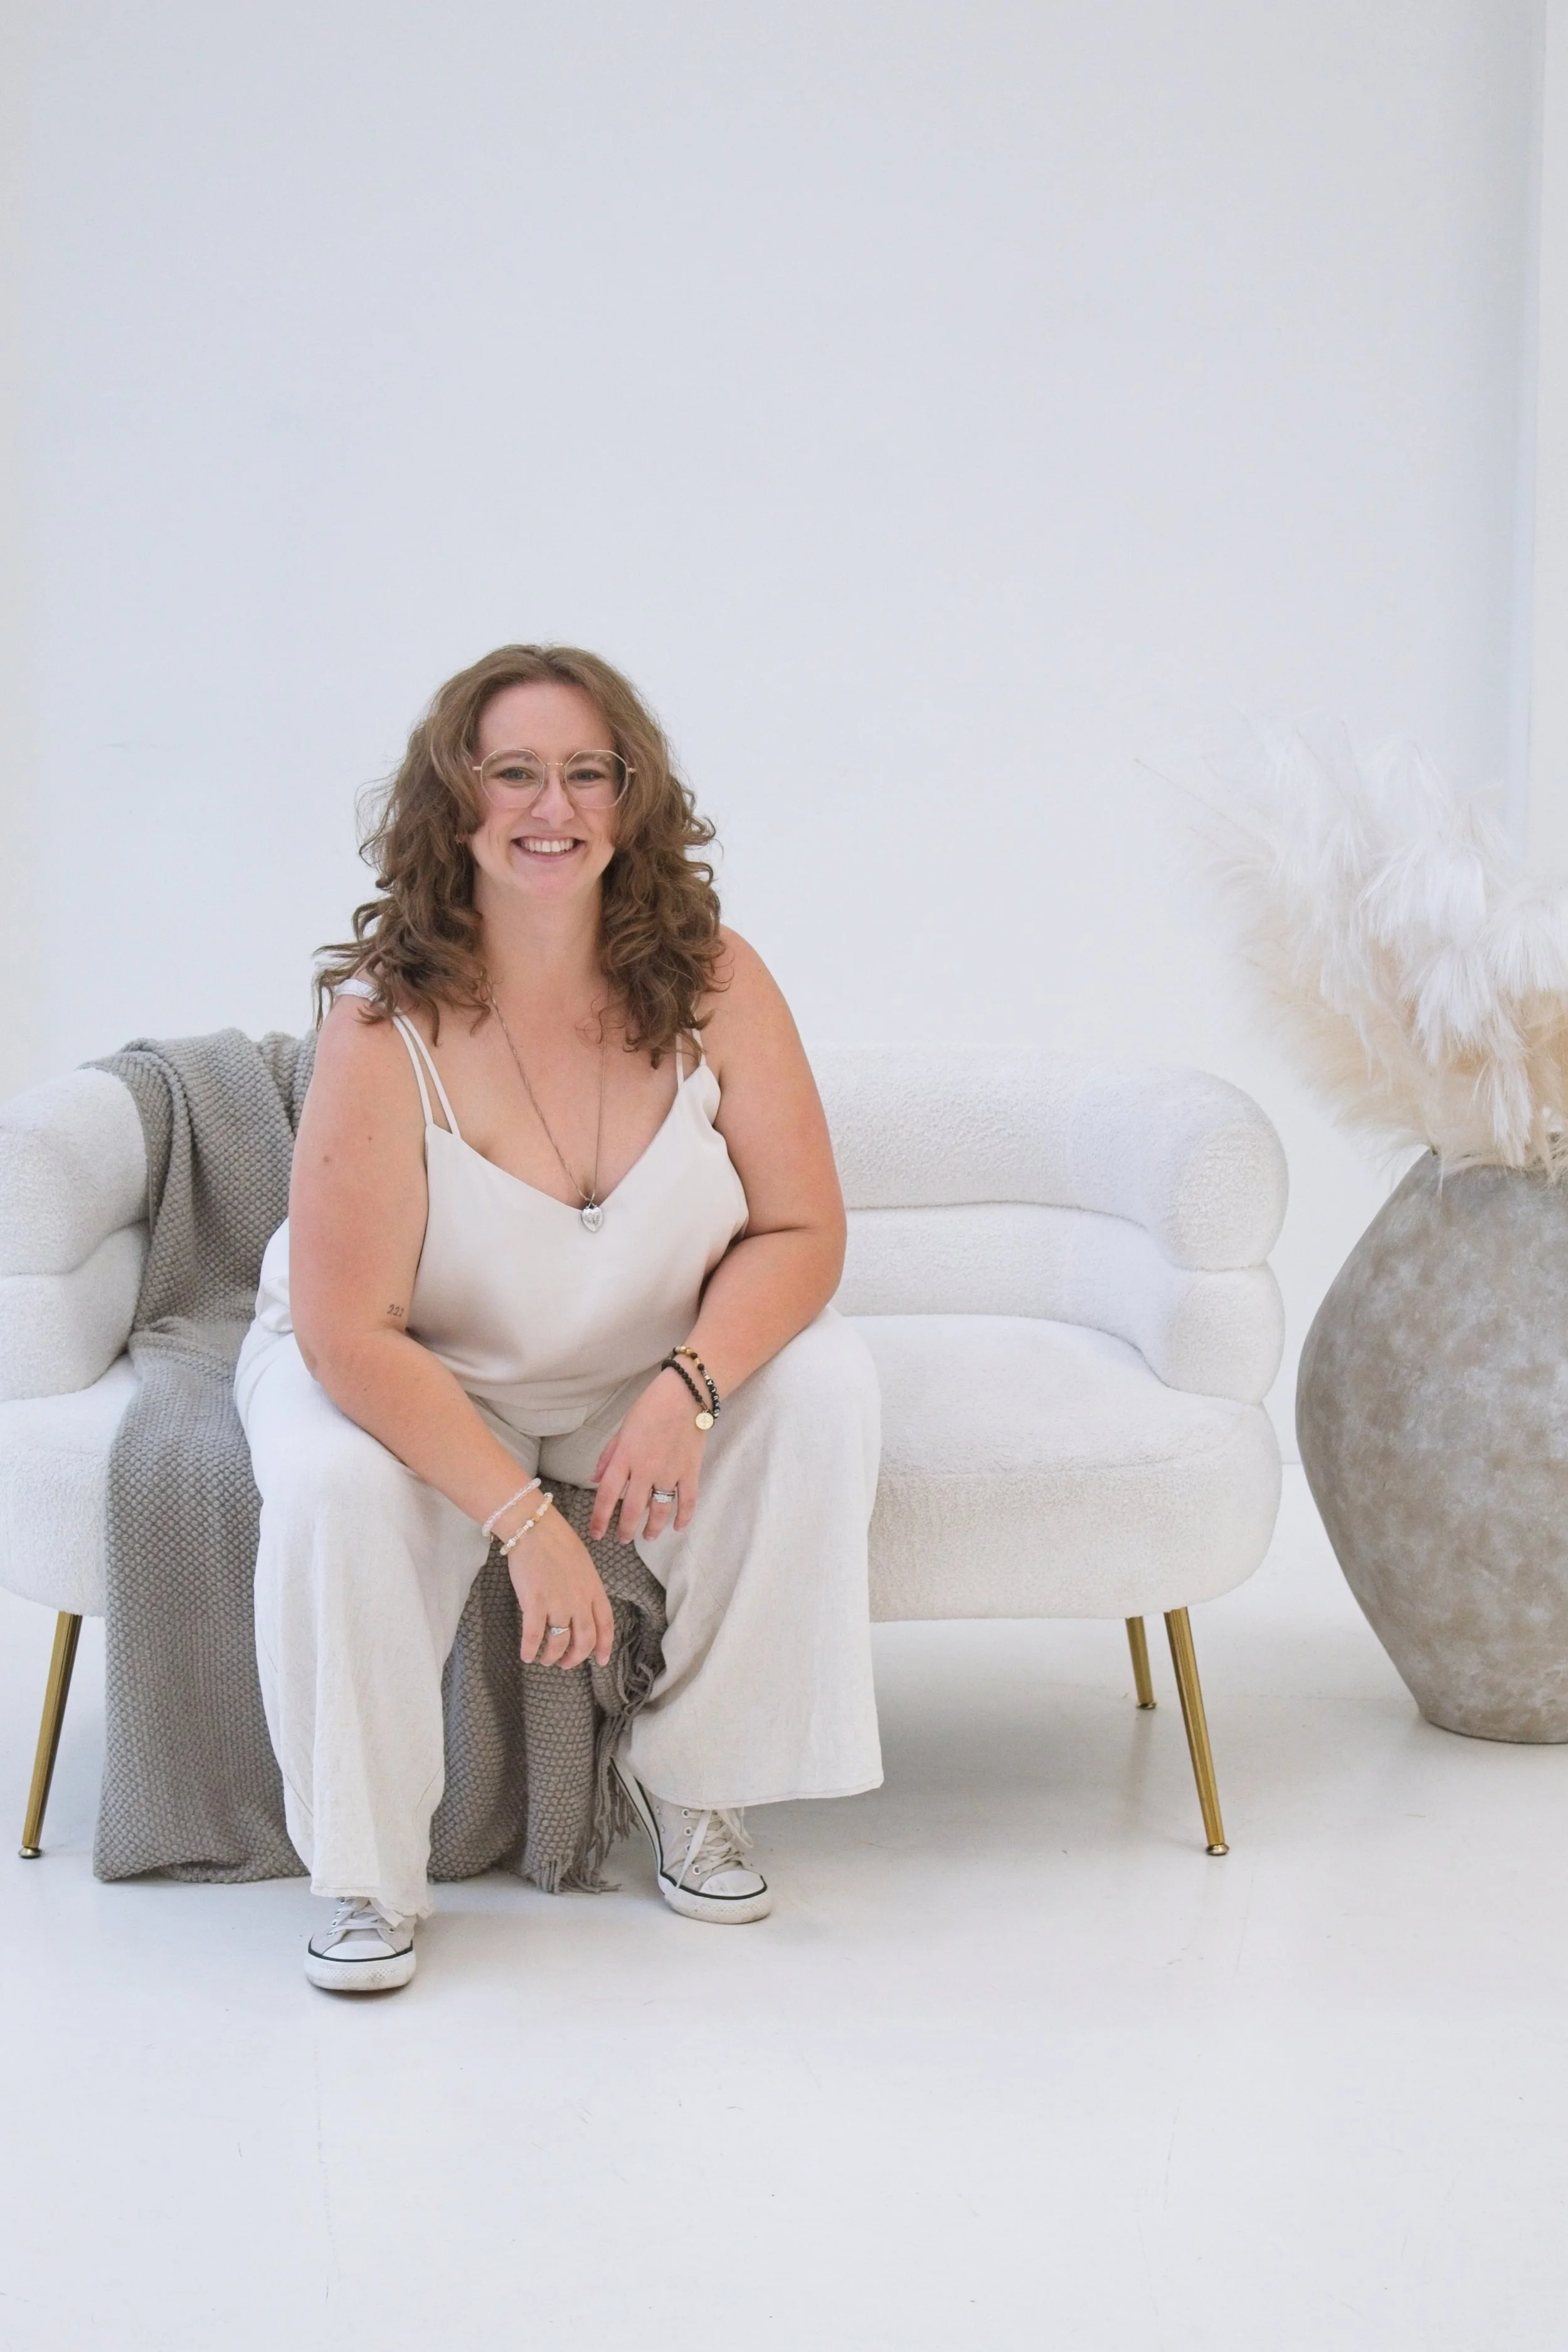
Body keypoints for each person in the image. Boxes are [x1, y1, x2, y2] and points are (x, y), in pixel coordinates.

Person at [233, 644, 883, 1993]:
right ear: (452, 804)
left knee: (823, 1385)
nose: (554, 805)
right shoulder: (379, 1022)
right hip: (412, 1369)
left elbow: (802, 1230)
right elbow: (351, 1330)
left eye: (589, 771)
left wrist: (689, 1384)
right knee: (330, 1485)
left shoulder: (713, 976)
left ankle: (699, 1781)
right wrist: (527, 1521)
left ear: (630, 797)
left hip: (634, 1364)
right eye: (514, 772)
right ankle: (363, 1866)